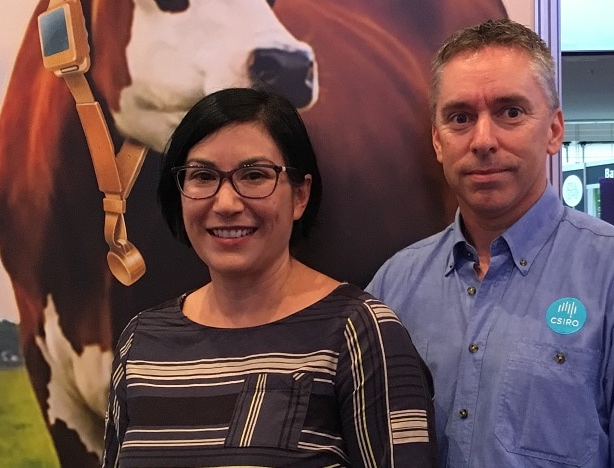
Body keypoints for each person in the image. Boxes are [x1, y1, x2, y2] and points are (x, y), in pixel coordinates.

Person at [367, 18, 614, 468]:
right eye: (460, 118)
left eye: (510, 112)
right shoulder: (393, 287)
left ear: (554, 130)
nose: (483, 140)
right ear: (438, 141)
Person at [102, 87, 438, 467]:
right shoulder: (141, 341)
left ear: (299, 196)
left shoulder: (361, 333)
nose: (226, 203)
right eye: (202, 176)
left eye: (255, 175)